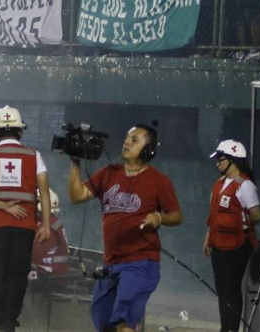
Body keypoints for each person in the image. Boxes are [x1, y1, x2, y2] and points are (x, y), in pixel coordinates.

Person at [67, 123, 183, 332]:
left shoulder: (158, 181)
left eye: (134, 140)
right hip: (111, 263)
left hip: (140, 263)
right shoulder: (108, 173)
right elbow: (76, 196)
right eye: (127, 138)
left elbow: (176, 216)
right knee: (103, 323)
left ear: (148, 150)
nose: (127, 142)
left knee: (124, 321)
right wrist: (75, 162)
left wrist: (159, 218)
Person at [0, 106, 51, 332]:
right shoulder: (34, 156)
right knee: (18, 274)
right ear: (20, 131)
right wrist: (46, 224)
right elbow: (44, 191)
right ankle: (8, 321)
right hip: (25, 226)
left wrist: (3, 206)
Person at [204, 140, 260, 332]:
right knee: (222, 290)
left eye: (221, 160)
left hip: (237, 244)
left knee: (231, 289)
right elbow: (214, 215)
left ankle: (231, 329)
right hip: (218, 243)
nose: (217, 164)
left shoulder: (245, 185)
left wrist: (240, 225)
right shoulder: (219, 183)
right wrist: (208, 237)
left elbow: (256, 215)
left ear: (233, 160)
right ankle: (224, 327)